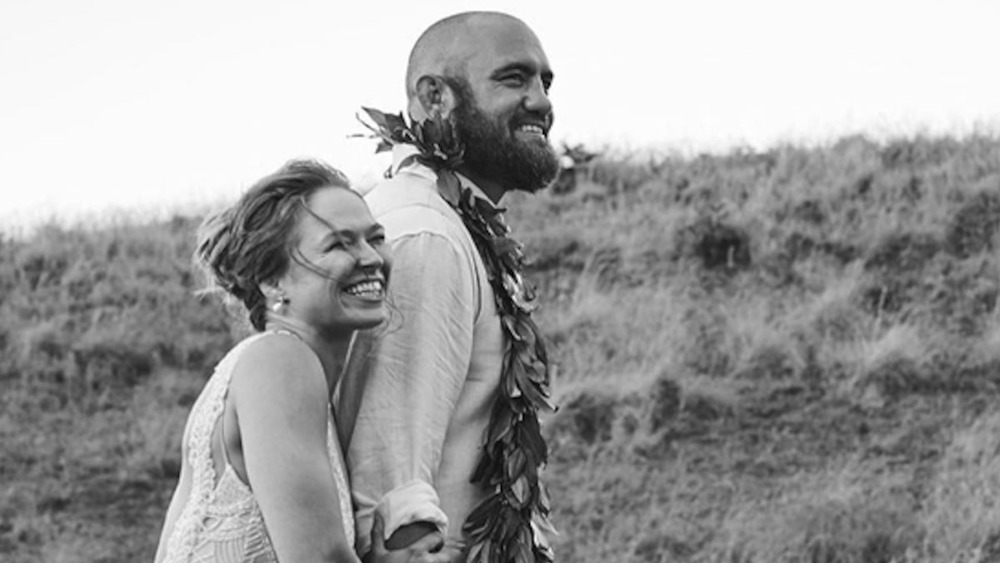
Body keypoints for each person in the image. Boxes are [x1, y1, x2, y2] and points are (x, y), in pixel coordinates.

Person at [154, 159, 459, 563]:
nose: (370, 257)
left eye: (376, 238)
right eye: (339, 244)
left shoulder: (291, 378)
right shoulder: (280, 362)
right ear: (272, 281)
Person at [337, 11, 560, 562]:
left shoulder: (453, 220)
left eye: (545, 82)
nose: (541, 101)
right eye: (513, 78)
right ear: (434, 98)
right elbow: (389, 496)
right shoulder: (423, 235)